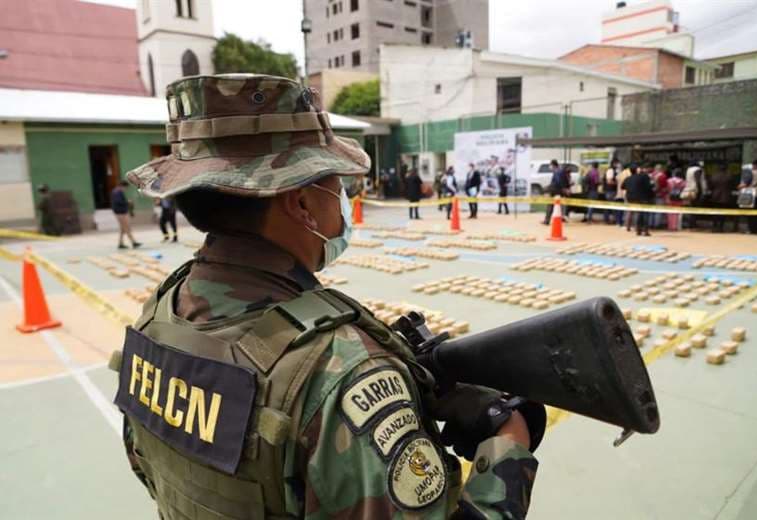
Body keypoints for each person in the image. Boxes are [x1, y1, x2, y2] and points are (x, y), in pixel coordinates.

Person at [114, 74, 543, 519]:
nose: (343, 198)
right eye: (337, 185)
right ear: (301, 204)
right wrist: (510, 442)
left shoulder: (160, 316)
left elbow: (147, 466)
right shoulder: (340, 371)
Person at [623, 164, 654, 236]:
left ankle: (638, 230)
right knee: (645, 214)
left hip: (631, 198)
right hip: (644, 198)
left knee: (638, 214)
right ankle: (645, 230)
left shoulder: (628, 178)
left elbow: (623, 187)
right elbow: (649, 187)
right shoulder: (644, 177)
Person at [110, 180, 141, 249]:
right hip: (120, 213)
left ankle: (120, 243)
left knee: (122, 229)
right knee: (126, 227)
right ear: (122, 186)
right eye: (126, 188)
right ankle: (133, 242)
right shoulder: (117, 192)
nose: (126, 189)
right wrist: (127, 202)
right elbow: (118, 202)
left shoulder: (118, 191)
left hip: (121, 211)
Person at [709, 164, 734, 233]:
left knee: (715, 212)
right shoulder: (729, 176)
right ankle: (721, 227)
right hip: (725, 196)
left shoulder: (714, 176)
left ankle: (714, 226)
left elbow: (710, 185)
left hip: (715, 196)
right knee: (723, 213)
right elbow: (732, 185)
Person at [543, 160, 569, 225]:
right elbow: (565, 181)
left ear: (553, 165)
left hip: (556, 190)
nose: (550, 167)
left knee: (550, 204)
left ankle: (547, 220)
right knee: (558, 205)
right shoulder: (560, 171)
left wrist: (548, 187)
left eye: (550, 165)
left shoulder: (557, 171)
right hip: (559, 190)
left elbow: (558, 182)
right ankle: (559, 218)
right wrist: (566, 188)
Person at [739, 159, 757, 234]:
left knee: (751, 214)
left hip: (752, 195)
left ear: (756, 165)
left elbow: (746, 183)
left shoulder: (751, 173)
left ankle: (752, 230)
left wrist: (740, 187)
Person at [603, 158, 621, 225]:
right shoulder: (610, 170)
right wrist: (618, 183)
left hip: (611, 191)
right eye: (617, 163)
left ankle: (609, 220)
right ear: (614, 163)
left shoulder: (614, 170)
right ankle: (609, 220)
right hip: (610, 191)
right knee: (611, 206)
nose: (618, 165)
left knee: (610, 206)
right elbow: (609, 181)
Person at [651, 164, 669, 229]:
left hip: (651, 195)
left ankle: (651, 224)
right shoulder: (662, 176)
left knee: (651, 210)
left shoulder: (651, 175)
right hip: (660, 195)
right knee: (658, 211)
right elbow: (665, 186)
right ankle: (657, 224)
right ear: (661, 169)